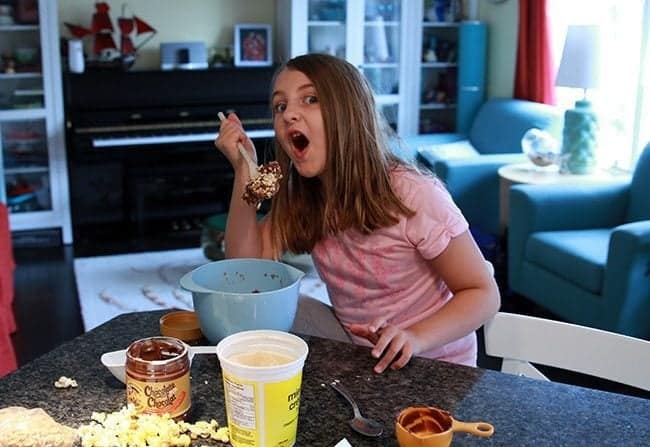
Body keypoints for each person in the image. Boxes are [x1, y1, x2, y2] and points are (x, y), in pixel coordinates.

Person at [215, 53, 500, 373]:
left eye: (310, 99)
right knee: (273, 306)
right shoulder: (306, 196)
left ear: (349, 113)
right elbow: (243, 269)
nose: (289, 114)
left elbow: (483, 294)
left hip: (437, 367)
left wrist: (414, 338)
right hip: (363, 355)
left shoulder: (413, 194)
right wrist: (244, 171)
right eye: (280, 106)